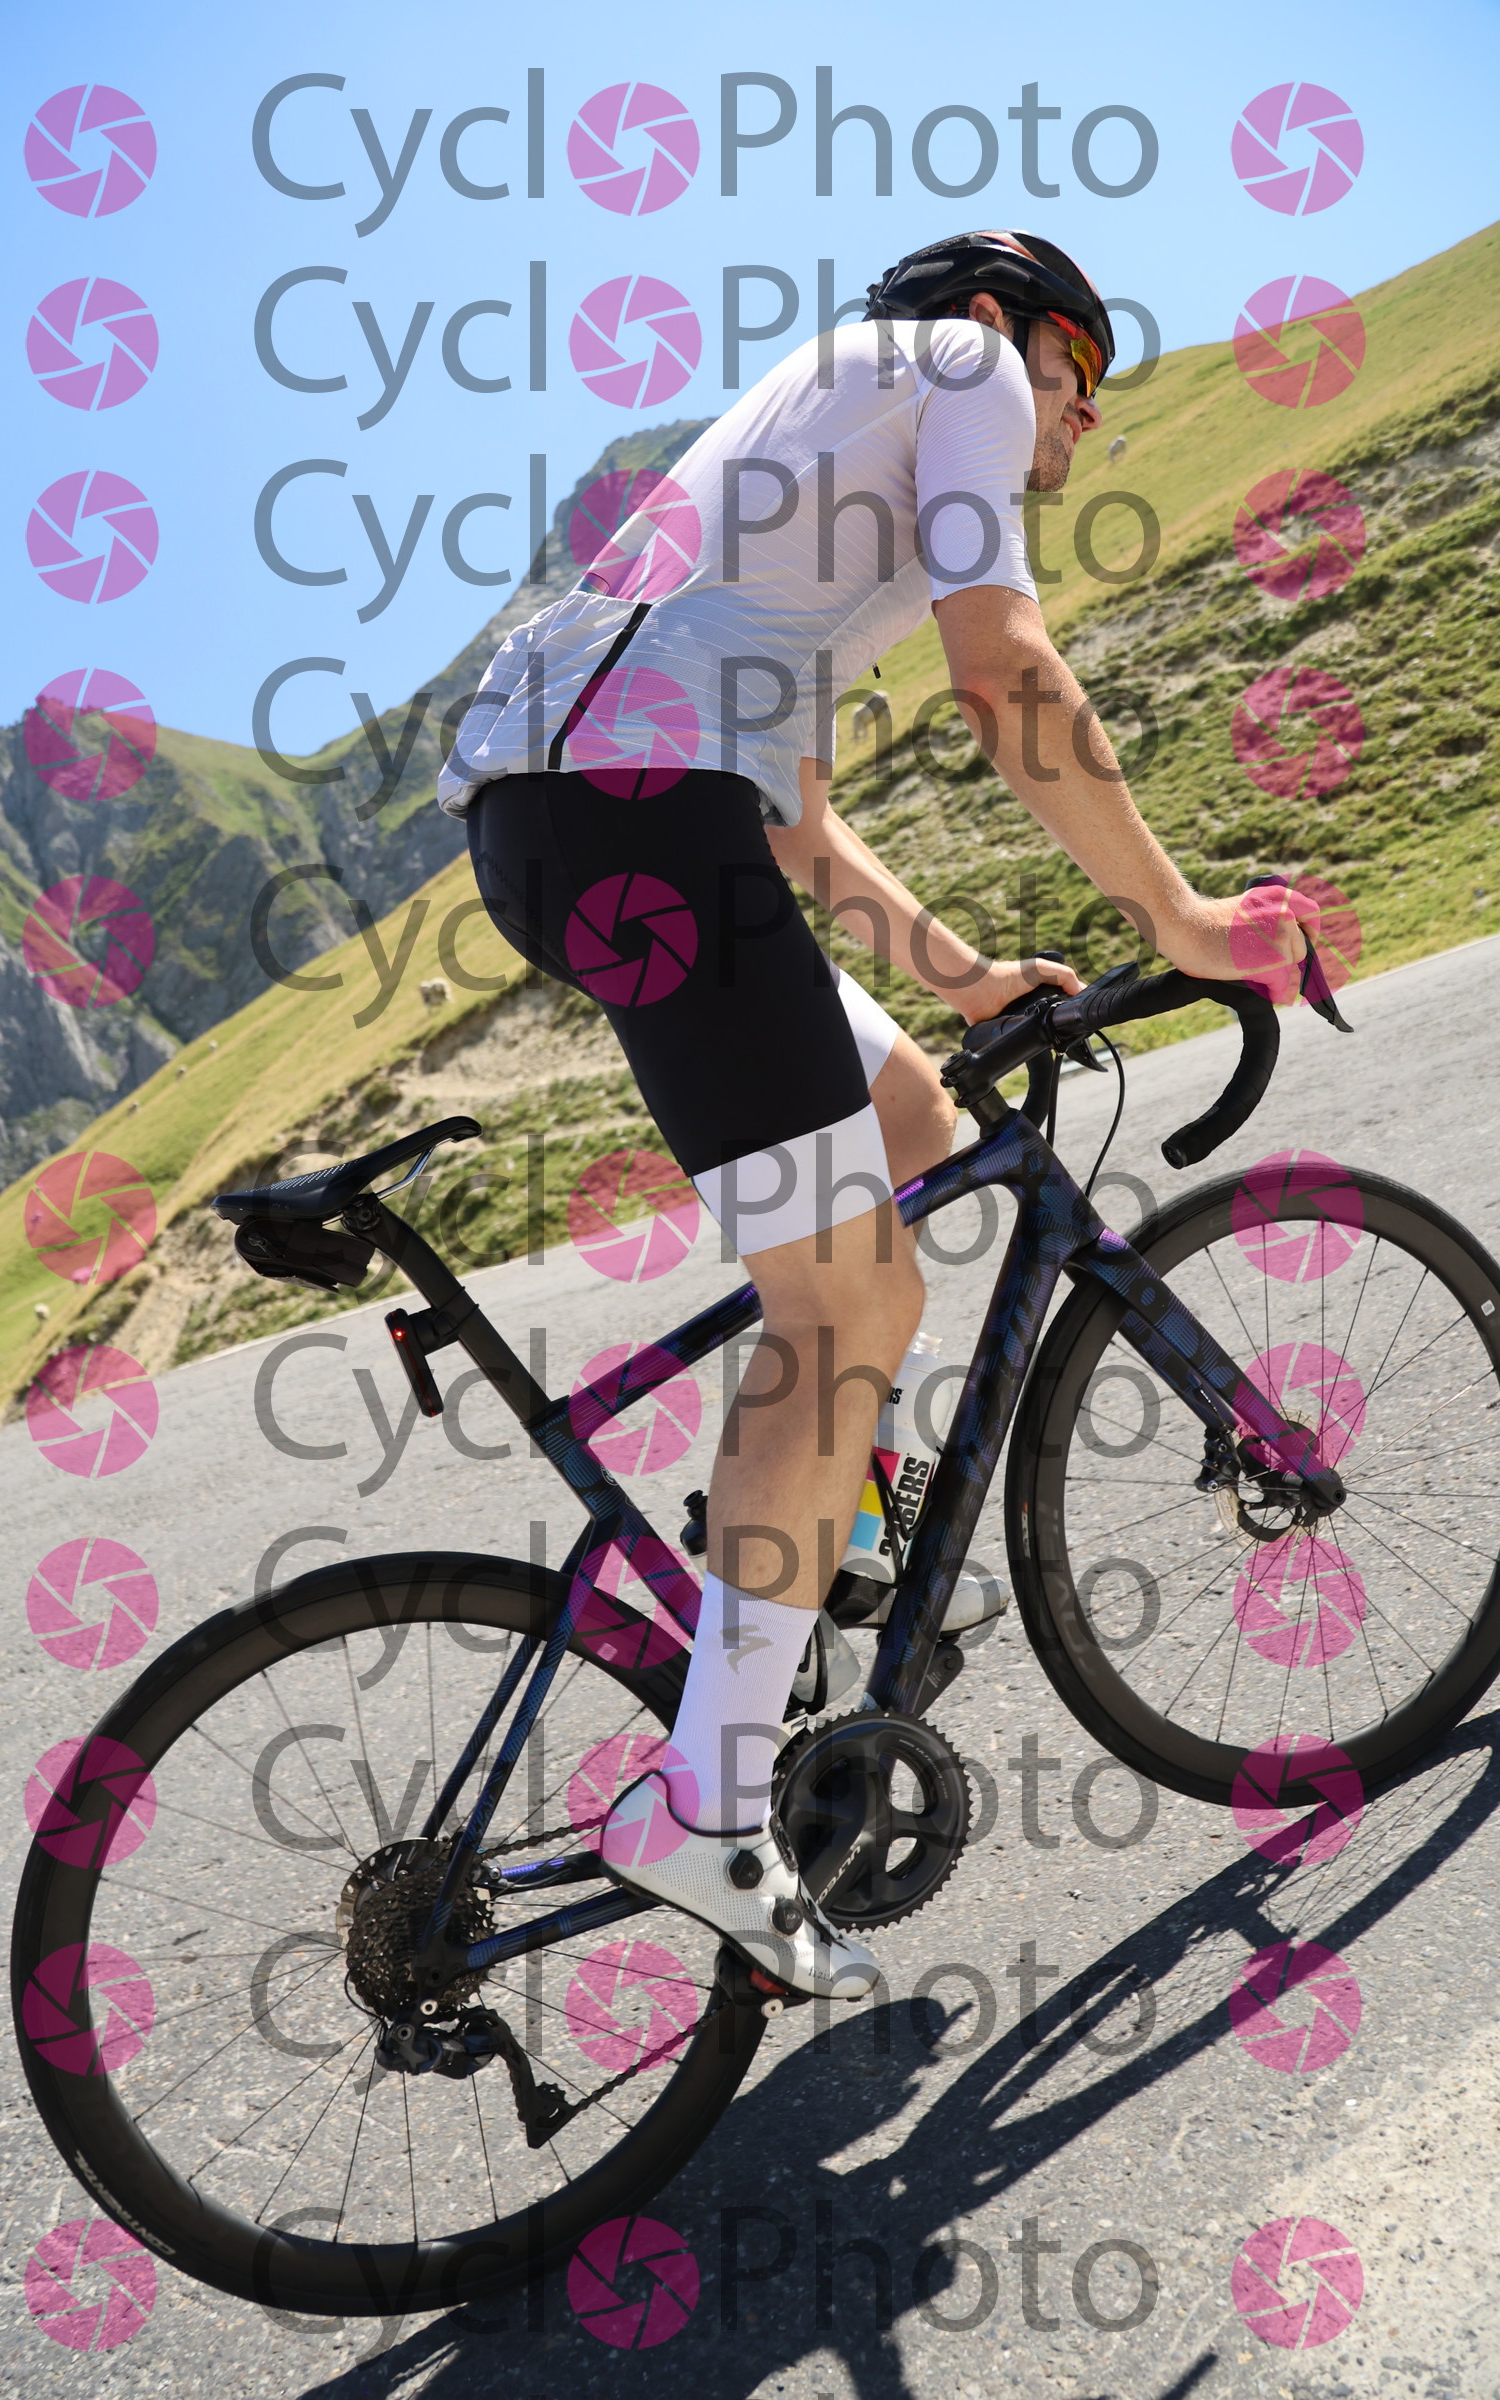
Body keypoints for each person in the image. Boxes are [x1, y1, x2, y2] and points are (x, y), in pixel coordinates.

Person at [436, 229, 1309, 1999]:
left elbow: (802, 828)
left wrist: (965, 977)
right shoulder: (957, 371)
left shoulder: (809, 456)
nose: (1083, 415)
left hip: (587, 827)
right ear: (997, 323)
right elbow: (1008, 675)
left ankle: (839, 1555)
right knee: (845, 1308)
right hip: (634, 813)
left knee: (913, 1131)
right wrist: (1185, 920)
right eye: (1080, 366)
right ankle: (707, 1798)